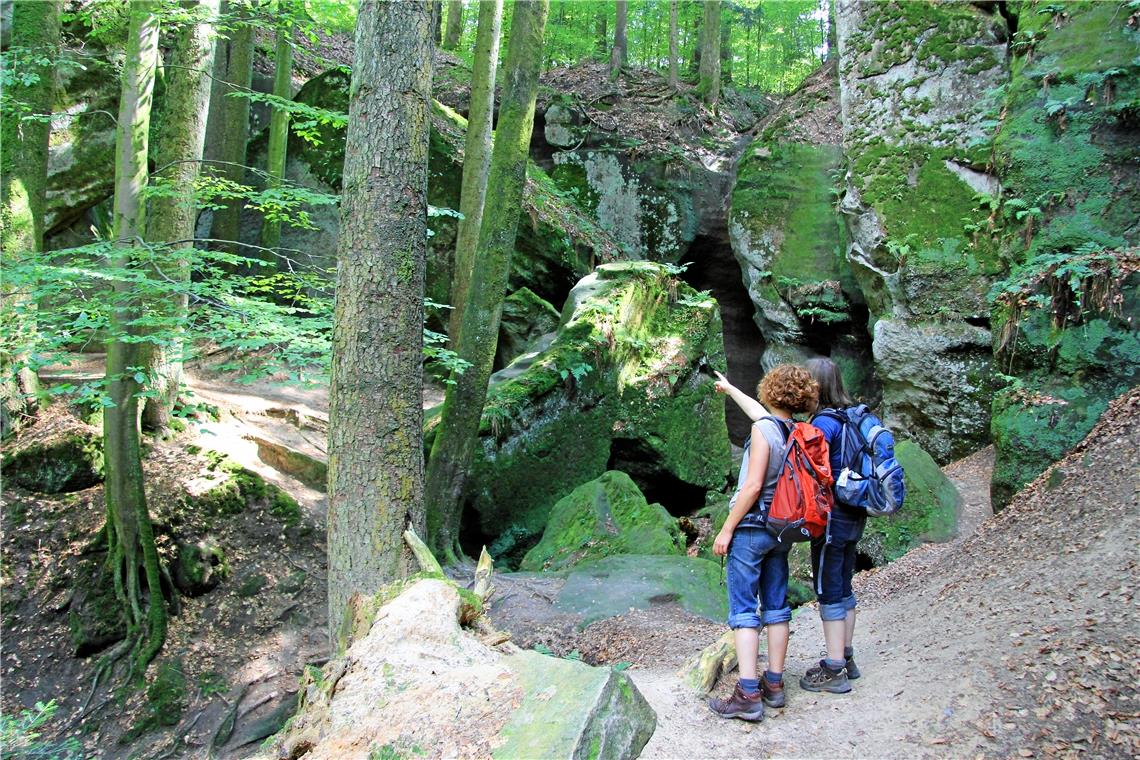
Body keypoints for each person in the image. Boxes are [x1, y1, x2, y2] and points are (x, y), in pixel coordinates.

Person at [707, 364, 820, 721]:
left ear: (770, 390)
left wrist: (726, 529)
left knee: (743, 611)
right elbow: (760, 414)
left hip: (752, 529)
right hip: (781, 531)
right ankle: (774, 684)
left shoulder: (763, 431)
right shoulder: (794, 430)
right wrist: (729, 389)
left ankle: (748, 695)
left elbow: (753, 486)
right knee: (776, 607)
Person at [799, 356, 862, 694]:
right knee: (845, 585)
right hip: (854, 512)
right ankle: (847, 657)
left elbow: (807, 470)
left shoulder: (823, 425)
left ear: (816, 386)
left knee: (828, 590)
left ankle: (834, 668)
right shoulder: (852, 417)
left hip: (831, 517)